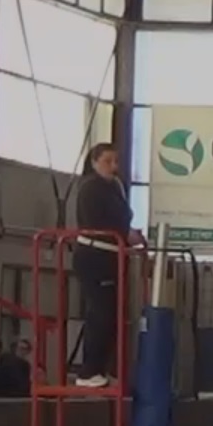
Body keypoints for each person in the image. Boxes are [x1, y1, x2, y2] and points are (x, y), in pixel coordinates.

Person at [72, 143, 141, 389]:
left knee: (110, 315)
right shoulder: (91, 188)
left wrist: (128, 234)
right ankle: (88, 370)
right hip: (95, 256)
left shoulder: (114, 187)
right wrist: (125, 234)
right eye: (107, 161)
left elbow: (120, 217)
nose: (113, 167)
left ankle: (99, 368)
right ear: (94, 162)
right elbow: (99, 221)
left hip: (110, 255)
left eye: (116, 161)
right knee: (100, 314)